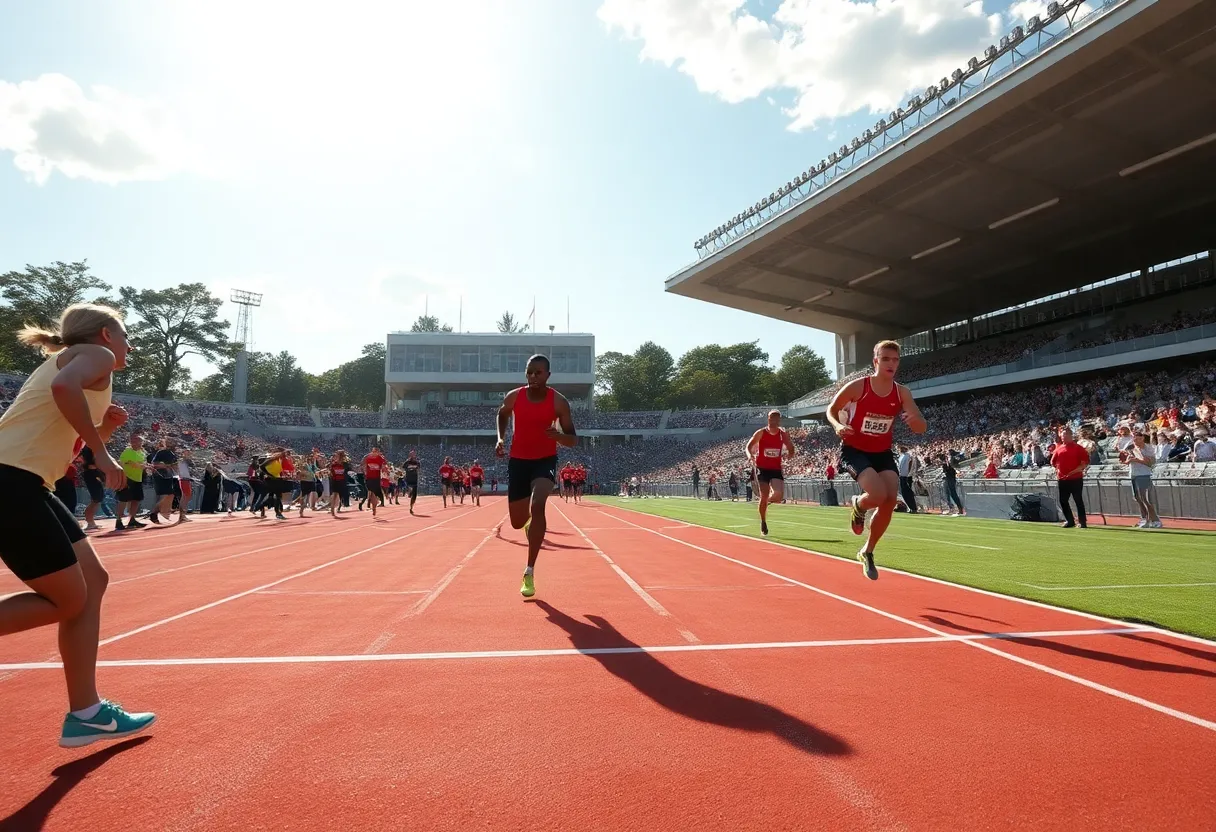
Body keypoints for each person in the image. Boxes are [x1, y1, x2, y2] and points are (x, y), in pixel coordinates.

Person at [0, 304, 156, 747]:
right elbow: (65, 387)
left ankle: (86, 712)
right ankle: (86, 711)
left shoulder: (82, 365)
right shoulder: (96, 357)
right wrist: (103, 453)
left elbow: (61, 448)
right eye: (125, 336)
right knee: (66, 600)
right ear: (106, 334)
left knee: (93, 580)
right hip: (10, 480)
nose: (129, 345)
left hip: (28, 482)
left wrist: (102, 431)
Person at [826, 340, 926, 580]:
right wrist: (838, 425)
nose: (891, 364)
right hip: (854, 450)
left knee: (890, 500)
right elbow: (831, 409)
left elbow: (921, 426)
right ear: (876, 361)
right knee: (879, 494)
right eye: (886, 359)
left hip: (882, 452)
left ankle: (867, 551)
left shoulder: (902, 392)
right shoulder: (859, 387)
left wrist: (916, 422)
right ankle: (859, 505)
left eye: (895, 360)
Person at [496, 354, 577, 598]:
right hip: (518, 461)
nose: (533, 377)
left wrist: (558, 436)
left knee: (538, 504)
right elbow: (503, 413)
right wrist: (500, 438)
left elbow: (572, 439)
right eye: (529, 372)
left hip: (545, 461)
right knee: (518, 523)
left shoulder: (559, 403)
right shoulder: (514, 396)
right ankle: (530, 525)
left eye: (538, 373)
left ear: (548, 375)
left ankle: (529, 570)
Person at [745, 410, 796, 536]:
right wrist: (750, 455)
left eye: (776, 419)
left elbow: (790, 447)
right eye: (771, 418)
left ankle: (765, 503)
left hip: (776, 468)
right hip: (762, 468)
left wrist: (790, 453)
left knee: (778, 495)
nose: (773, 421)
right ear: (768, 419)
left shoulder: (782, 434)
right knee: (764, 495)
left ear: (779, 421)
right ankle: (763, 521)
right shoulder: (761, 433)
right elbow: (748, 446)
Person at [1122, 426, 1161, 528]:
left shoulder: (1148, 448)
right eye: (1134, 438)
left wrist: (1136, 460)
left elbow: (1150, 463)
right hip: (1133, 474)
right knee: (1137, 498)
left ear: (1142, 438)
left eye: (1138, 438)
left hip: (1144, 474)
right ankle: (1144, 519)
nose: (1135, 440)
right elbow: (1125, 460)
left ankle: (1155, 520)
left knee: (1145, 498)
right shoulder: (1131, 447)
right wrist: (1128, 460)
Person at [1050, 426, 1089, 529]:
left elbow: (1084, 463)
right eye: (1063, 436)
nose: (1064, 437)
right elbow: (1053, 462)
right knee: (1063, 500)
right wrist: (1058, 470)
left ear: (1071, 436)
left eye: (1066, 435)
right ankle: (1069, 520)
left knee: (1078, 499)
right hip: (1063, 479)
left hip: (1076, 478)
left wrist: (1074, 471)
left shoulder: (1078, 448)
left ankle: (1082, 521)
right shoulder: (1059, 449)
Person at [362, 446, 387, 517]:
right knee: (371, 492)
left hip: (376, 479)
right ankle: (373, 507)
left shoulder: (380, 459)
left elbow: (383, 466)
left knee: (374, 494)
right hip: (369, 478)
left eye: (375, 451)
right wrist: (365, 472)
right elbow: (364, 466)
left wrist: (384, 469)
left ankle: (374, 507)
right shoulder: (368, 458)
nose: (374, 453)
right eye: (373, 451)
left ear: (378, 452)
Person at [403, 450, 421, 514]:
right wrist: (408, 470)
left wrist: (414, 469)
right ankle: (409, 491)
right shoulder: (407, 462)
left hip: (415, 480)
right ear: (409, 455)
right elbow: (403, 468)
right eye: (411, 454)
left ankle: (411, 507)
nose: (413, 455)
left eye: (414, 454)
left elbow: (418, 468)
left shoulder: (417, 462)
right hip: (408, 479)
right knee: (410, 488)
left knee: (414, 496)